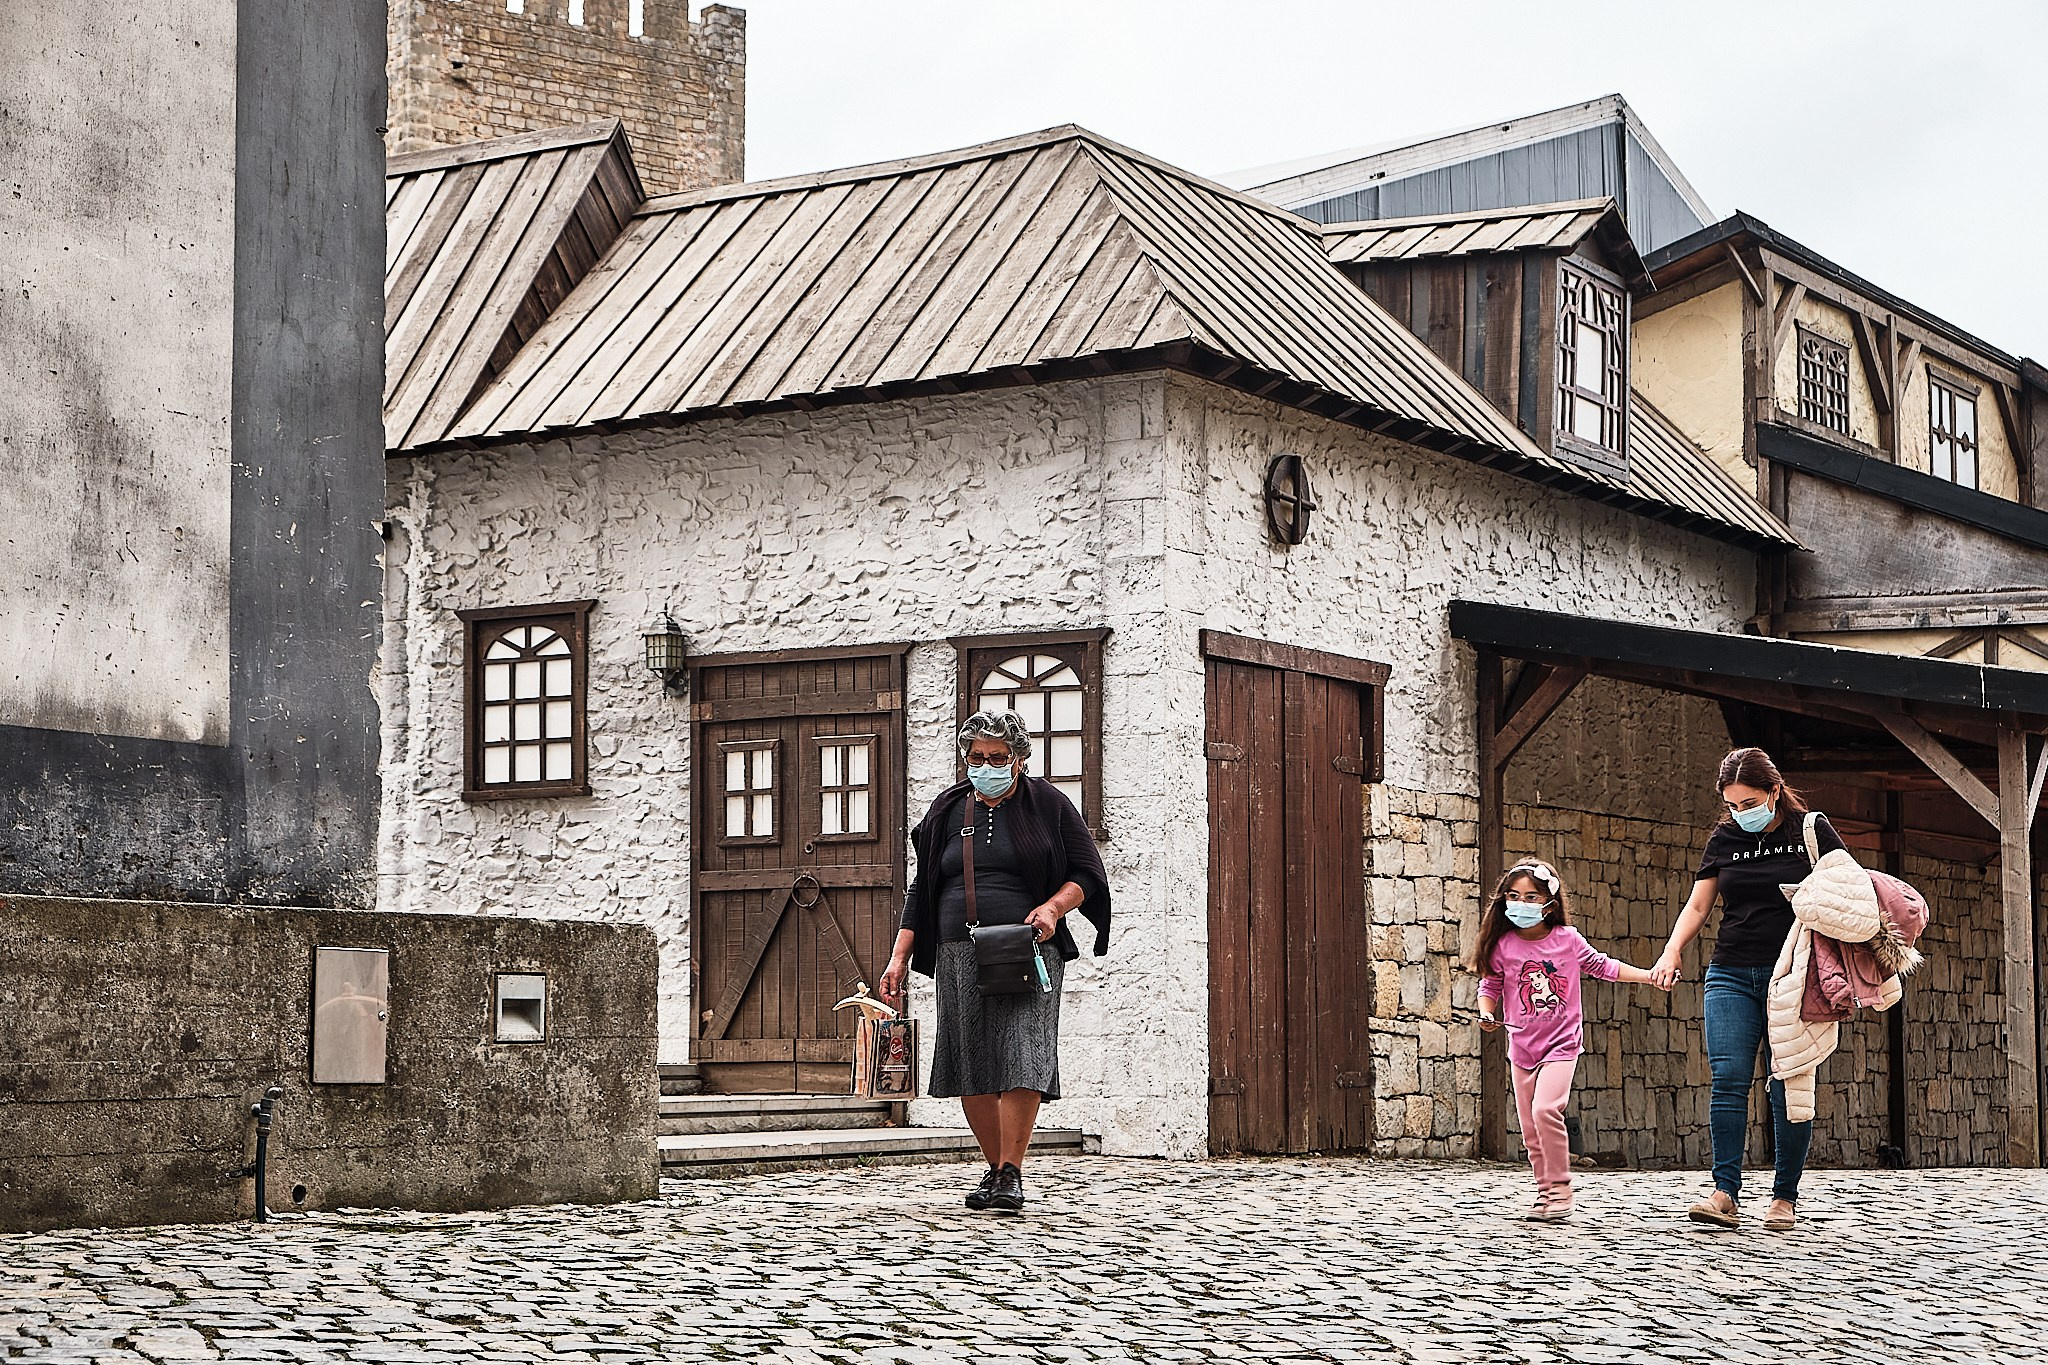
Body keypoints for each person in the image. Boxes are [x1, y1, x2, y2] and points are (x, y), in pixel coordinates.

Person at [878, 710, 1111, 1215]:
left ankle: (1011, 1171)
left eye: (998, 758)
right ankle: (997, 1170)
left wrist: (1053, 908)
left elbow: (1087, 873)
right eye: (977, 757)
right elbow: (922, 888)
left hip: (1027, 948)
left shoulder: (1048, 805)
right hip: (958, 951)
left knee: (1024, 1056)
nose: (986, 766)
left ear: (1020, 759)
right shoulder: (945, 810)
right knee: (971, 1063)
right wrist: (898, 958)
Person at [1649, 746, 1845, 1232]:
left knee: (1788, 1084)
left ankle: (1784, 1197)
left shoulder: (1811, 831)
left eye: (1750, 803)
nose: (1741, 813)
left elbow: (1850, 893)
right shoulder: (1723, 839)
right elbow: (1698, 907)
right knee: (1729, 1079)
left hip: (1793, 977)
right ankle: (1724, 1193)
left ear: (1774, 791)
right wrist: (1672, 950)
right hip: (1730, 972)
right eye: (1733, 805)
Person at [1475, 859, 1663, 1220]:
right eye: (1514, 896)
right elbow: (1490, 985)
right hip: (1521, 1047)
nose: (1521, 904)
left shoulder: (1567, 940)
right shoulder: (1503, 946)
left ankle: (1561, 1189)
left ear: (1550, 903)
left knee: (1546, 1110)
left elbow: (1604, 966)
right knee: (1530, 1129)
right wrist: (1486, 1011)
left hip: (1562, 1043)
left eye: (1531, 897)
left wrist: (1648, 977)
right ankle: (1544, 1193)